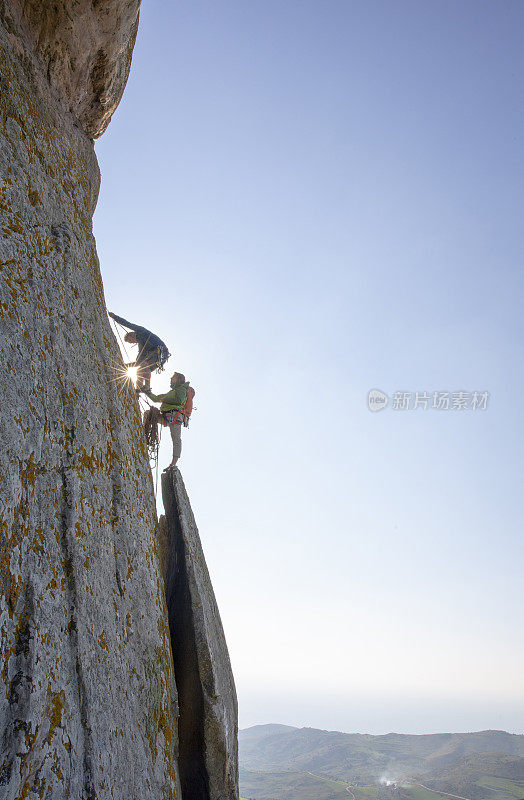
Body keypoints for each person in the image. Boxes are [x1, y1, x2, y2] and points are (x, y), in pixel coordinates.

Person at [141, 372, 194, 469]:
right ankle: (142, 434)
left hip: (175, 417)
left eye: (173, 377)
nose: (170, 379)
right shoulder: (172, 391)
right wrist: (147, 392)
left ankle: (173, 464)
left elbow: (178, 400)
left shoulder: (182, 389)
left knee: (176, 439)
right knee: (148, 413)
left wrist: (165, 399)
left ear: (178, 379)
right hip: (166, 416)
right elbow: (157, 398)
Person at [109, 311, 169, 389]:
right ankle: (138, 389)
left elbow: (128, 324)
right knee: (140, 370)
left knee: (144, 364)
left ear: (131, 335)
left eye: (130, 341)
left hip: (159, 350)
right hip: (159, 356)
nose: (132, 343)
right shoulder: (142, 346)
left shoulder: (141, 331)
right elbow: (138, 362)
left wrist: (115, 317)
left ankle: (147, 387)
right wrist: (125, 366)